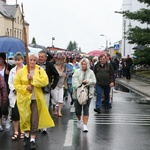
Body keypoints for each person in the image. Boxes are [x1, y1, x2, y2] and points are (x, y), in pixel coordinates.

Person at [14, 52, 55, 149]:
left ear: (36, 61)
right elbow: (16, 85)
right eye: (30, 60)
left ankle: (32, 139)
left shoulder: (40, 70)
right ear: (27, 60)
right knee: (25, 118)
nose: (32, 62)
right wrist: (25, 88)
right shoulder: (21, 71)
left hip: (36, 99)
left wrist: (33, 79)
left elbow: (45, 81)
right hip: (24, 99)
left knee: (34, 119)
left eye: (34, 60)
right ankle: (26, 136)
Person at [37, 50, 59, 133]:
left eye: (42, 57)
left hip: (46, 89)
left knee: (45, 107)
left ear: (46, 58)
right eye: (39, 57)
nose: (40, 58)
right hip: (36, 89)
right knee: (37, 107)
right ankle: (38, 124)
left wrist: (52, 86)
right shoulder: (35, 65)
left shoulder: (49, 65)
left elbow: (56, 75)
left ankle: (44, 127)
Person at [72, 58, 96, 132]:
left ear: (88, 64)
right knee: (78, 111)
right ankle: (79, 120)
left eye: (85, 64)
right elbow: (74, 81)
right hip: (78, 93)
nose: (84, 65)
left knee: (86, 109)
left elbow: (94, 81)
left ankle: (85, 125)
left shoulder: (91, 72)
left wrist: (87, 81)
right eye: (82, 64)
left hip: (88, 93)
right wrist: (80, 85)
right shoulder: (77, 72)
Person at [8, 52, 25, 141]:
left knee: (23, 114)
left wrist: (22, 89)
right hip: (14, 95)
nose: (18, 62)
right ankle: (16, 131)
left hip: (23, 95)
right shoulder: (12, 70)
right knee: (15, 115)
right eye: (16, 60)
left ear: (22, 60)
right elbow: (10, 82)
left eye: (19, 60)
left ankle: (23, 131)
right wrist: (14, 89)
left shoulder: (26, 69)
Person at [0, 53, 12, 129]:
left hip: (6, 88)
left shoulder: (8, 67)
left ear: (3, 59)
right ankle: (0, 124)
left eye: (0, 59)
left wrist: (8, 73)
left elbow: (14, 77)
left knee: (5, 105)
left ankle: (6, 118)